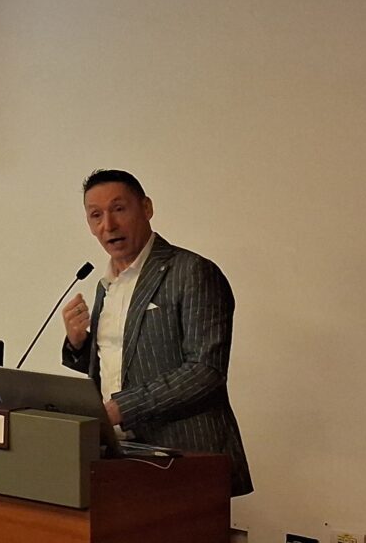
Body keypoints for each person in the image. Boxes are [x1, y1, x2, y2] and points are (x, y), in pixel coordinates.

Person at [61, 169, 253, 496]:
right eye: (96, 215)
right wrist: (79, 344)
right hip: (118, 455)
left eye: (119, 209)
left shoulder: (191, 272)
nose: (108, 225)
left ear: (146, 208)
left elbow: (205, 371)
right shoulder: (105, 286)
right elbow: (123, 362)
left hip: (184, 455)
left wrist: (121, 408)